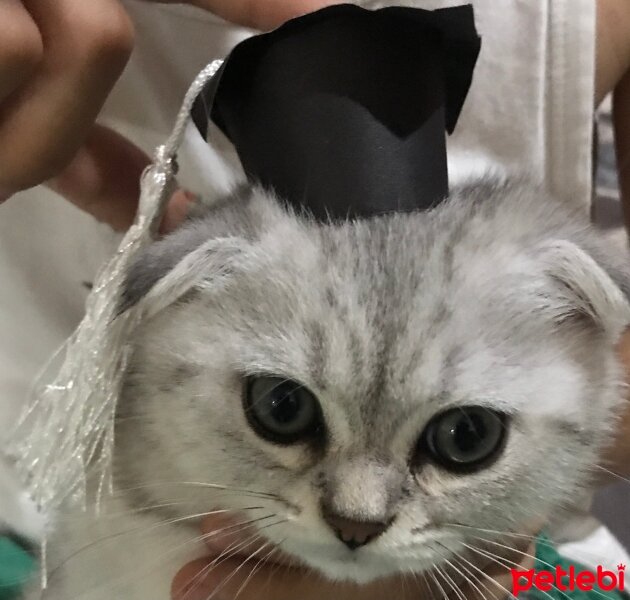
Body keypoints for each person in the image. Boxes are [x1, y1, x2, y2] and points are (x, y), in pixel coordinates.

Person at [0, 2, 630, 600]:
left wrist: (504, 559)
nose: (358, 513)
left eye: (466, 436)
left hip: (515, 570)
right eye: (284, 409)